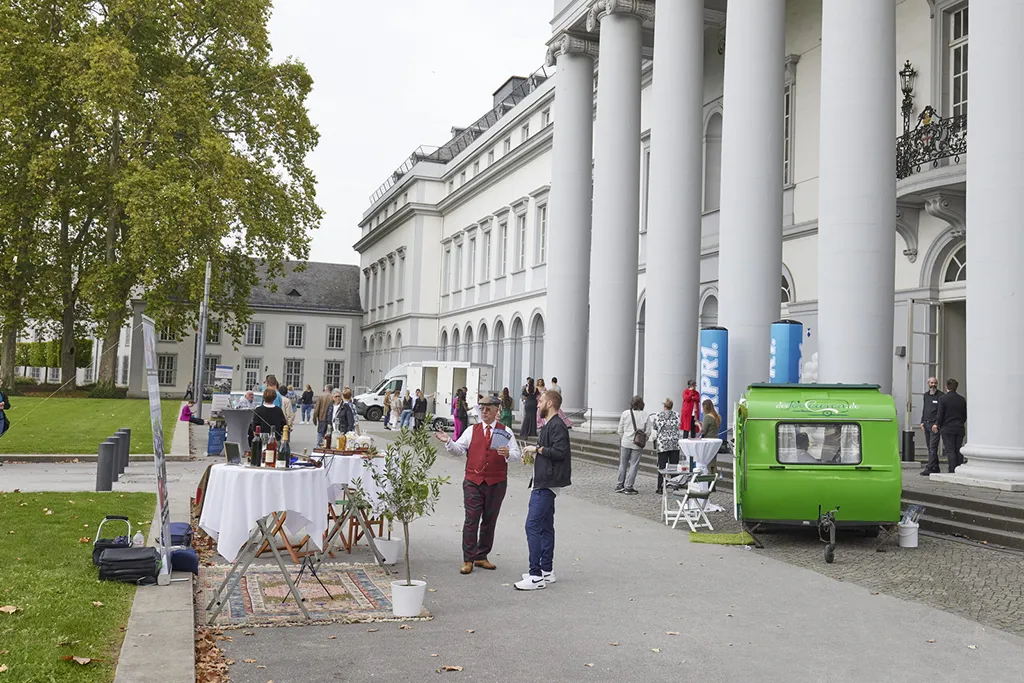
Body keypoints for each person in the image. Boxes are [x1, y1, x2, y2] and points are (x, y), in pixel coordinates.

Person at [435, 395, 521, 575]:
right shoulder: (471, 430)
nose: (484, 412)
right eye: (482, 408)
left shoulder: (505, 431)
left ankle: (482, 556)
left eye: (488, 408)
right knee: (472, 519)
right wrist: (449, 442)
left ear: (497, 410)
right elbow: (459, 450)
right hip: (473, 480)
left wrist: (507, 454)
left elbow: (516, 455)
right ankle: (468, 559)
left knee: (490, 520)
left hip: (496, 481)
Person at [516, 390, 571, 591]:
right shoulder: (551, 424)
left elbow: (559, 452)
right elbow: (552, 451)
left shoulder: (556, 425)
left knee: (532, 526)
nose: (537, 405)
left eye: (540, 402)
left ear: (549, 403)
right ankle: (546, 570)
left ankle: (536, 574)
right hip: (545, 481)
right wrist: (535, 454)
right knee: (546, 526)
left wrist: (536, 450)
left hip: (546, 483)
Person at [616, 395, 650, 495]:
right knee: (633, 465)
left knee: (623, 464)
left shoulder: (625, 413)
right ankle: (629, 486)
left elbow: (620, 429)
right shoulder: (645, 415)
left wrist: (624, 437)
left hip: (625, 441)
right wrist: (644, 439)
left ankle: (619, 484)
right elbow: (648, 431)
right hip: (637, 444)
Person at [933, 378, 967, 473]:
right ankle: (959, 468)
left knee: (950, 449)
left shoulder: (943, 399)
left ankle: (952, 469)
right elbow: (964, 415)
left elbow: (940, 415)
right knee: (958, 448)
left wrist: (937, 424)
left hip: (947, 427)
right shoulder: (961, 399)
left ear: (947, 386)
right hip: (959, 427)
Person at [650, 398, 681, 494]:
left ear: (664, 406)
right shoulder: (676, 415)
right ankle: (675, 485)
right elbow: (679, 425)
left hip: (663, 444)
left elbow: (655, 427)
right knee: (674, 466)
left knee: (662, 466)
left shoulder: (658, 415)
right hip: (674, 443)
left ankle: (660, 487)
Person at [919, 377, 944, 476]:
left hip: (934, 425)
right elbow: (924, 409)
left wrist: (937, 424)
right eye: (931, 383)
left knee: (933, 447)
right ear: (928, 383)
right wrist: (922, 422)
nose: (933, 384)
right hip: (926, 424)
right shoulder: (926, 395)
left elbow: (941, 412)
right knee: (930, 447)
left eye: (935, 383)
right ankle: (935, 467)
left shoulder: (941, 396)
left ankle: (929, 468)